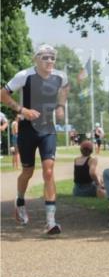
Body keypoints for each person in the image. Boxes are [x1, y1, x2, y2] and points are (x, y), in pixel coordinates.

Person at [1, 44, 69, 234]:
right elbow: (2, 94)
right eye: (45, 57)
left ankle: (50, 221)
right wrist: (23, 110)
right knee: (28, 171)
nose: (49, 61)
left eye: (52, 57)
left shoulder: (60, 76)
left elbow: (65, 89)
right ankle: (20, 201)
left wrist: (61, 105)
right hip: (27, 129)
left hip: (48, 128)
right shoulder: (24, 76)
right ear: (36, 59)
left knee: (48, 171)